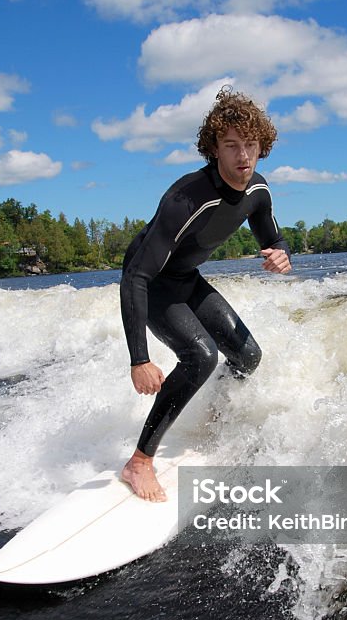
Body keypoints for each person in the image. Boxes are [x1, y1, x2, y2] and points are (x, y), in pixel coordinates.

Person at [119, 88, 292, 501]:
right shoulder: (187, 198)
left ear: (262, 147)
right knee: (200, 356)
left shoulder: (258, 192)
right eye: (231, 145)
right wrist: (140, 360)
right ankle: (139, 462)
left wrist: (282, 254)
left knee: (248, 356)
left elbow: (273, 237)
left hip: (185, 277)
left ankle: (213, 414)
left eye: (250, 145)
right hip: (152, 282)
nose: (243, 156)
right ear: (213, 148)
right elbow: (136, 277)